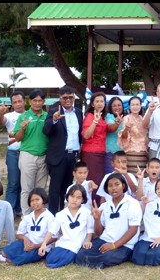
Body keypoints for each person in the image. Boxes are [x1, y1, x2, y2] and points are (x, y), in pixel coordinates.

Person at [75, 174, 141, 269]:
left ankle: (101, 261)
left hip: (124, 244)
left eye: (116, 184)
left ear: (123, 186)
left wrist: (113, 246)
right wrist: (97, 219)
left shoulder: (132, 203)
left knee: (108, 257)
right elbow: (100, 233)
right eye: (110, 186)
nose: (113, 188)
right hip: (105, 240)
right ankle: (97, 261)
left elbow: (133, 230)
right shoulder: (104, 206)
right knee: (81, 254)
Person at [43, 86, 84, 214]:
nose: (68, 100)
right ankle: (53, 215)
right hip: (58, 156)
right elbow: (46, 131)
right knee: (55, 188)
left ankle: (64, 213)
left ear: (74, 97)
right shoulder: (54, 111)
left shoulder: (78, 112)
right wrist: (54, 120)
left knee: (67, 187)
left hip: (73, 156)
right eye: (64, 97)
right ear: (60, 98)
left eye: (70, 97)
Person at [39, 184, 94, 268]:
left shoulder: (86, 212)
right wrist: (44, 244)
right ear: (67, 197)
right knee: (50, 259)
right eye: (72, 196)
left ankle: (73, 257)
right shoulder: (61, 214)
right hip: (64, 243)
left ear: (83, 200)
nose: (74, 200)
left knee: (65, 258)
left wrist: (87, 241)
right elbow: (52, 230)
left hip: (77, 244)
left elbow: (90, 230)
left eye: (78, 197)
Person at [14, 90, 49, 217]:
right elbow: (17, 138)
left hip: (44, 156)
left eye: (40, 101)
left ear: (44, 102)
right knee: (27, 189)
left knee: (40, 189)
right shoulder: (23, 117)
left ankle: (39, 215)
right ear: (29, 102)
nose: (37, 103)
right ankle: (26, 216)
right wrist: (22, 128)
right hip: (28, 155)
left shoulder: (47, 116)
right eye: (34, 100)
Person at [0, 188, 58, 265]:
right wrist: (25, 238)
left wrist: (36, 246)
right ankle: (9, 258)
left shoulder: (49, 217)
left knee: (22, 259)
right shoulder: (28, 217)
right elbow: (19, 234)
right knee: (4, 253)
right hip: (27, 244)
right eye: (32, 200)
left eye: (37, 199)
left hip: (40, 246)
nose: (34, 202)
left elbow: (54, 237)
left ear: (43, 200)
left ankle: (13, 259)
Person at [0, 91, 27, 217]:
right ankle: (9, 211)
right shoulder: (9, 116)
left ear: (25, 102)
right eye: (14, 102)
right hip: (13, 153)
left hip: (27, 153)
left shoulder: (30, 115)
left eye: (20, 101)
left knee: (24, 183)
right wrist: (0, 113)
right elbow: (0, 121)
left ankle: (21, 209)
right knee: (13, 182)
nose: (17, 104)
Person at [80, 92, 108, 205]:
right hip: (91, 153)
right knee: (92, 181)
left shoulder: (103, 116)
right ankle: (90, 206)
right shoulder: (89, 117)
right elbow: (86, 135)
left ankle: (98, 208)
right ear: (92, 104)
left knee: (99, 181)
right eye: (97, 101)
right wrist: (95, 122)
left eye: (102, 101)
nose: (100, 103)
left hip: (102, 153)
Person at [118, 95, 149, 173]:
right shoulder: (126, 118)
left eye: (137, 104)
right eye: (133, 104)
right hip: (131, 152)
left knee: (142, 175)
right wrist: (127, 129)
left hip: (143, 152)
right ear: (129, 106)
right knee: (132, 175)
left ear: (141, 105)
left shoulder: (143, 119)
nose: (135, 107)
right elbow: (124, 136)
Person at [104, 96, 124, 175]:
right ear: (110, 107)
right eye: (114, 106)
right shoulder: (109, 116)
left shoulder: (125, 118)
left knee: (121, 176)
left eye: (119, 105)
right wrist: (116, 124)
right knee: (111, 176)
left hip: (122, 152)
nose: (117, 107)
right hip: (110, 152)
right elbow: (110, 128)